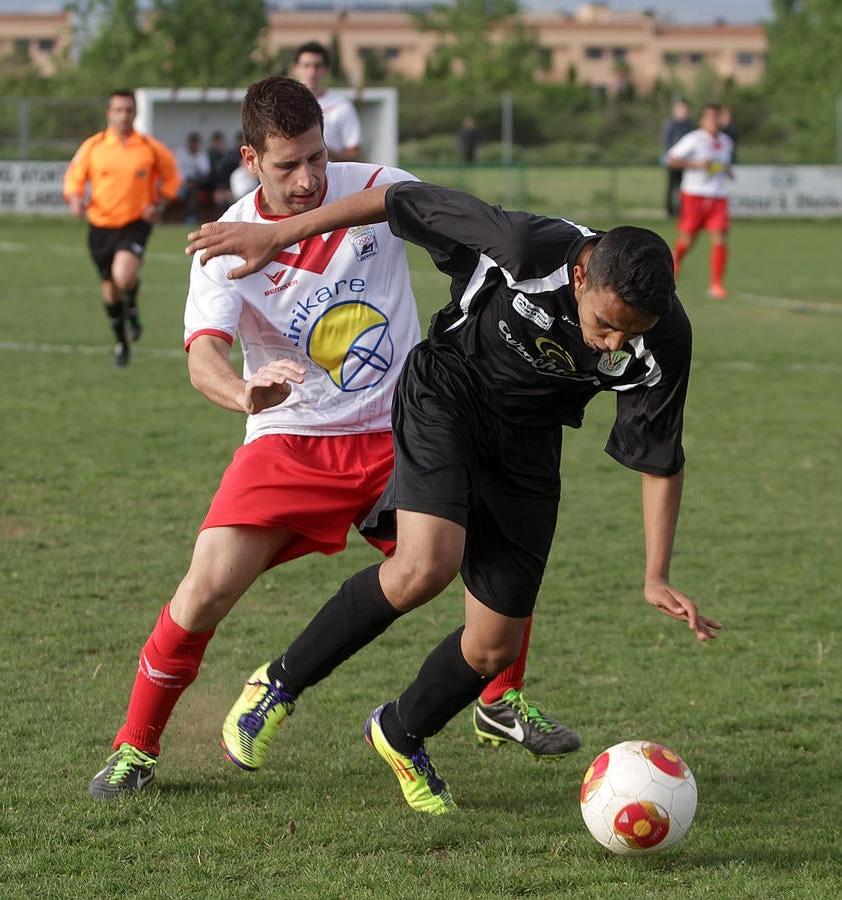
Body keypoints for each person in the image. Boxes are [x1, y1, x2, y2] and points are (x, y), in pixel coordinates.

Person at [86, 76, 577, 801]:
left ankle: (499, 699)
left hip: (404, 428)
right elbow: (203, 358)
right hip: (292, 437)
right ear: (251, 158)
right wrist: (242, 392)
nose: (308, 178)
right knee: (206, 589)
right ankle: (135, 747)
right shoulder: (223, 240)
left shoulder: (375, 189)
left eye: (316, 157)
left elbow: (463, 229)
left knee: (498, 549)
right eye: (287, 165)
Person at [186, 178, 722, 816]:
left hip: (529, 443)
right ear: (581, 279)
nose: (611, 345)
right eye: (606, 326)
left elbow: (660, 455)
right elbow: (395, 199)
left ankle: (401, 731)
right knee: (424, 566)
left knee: (494, 646)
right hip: (448, 392)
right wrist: (279, 234)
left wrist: (656, 574)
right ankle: (278, 685)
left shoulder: (664, 337)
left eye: (629, 335)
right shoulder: (522, 245)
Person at [63, 90, 181, 367]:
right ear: (109, 113)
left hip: (135, 222)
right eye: (118, 110)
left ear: (135, 113)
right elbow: (74, 177)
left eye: (128, 110)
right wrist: (75, 198)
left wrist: (159, 203)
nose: (123, 115)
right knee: (109, 290)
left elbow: (172, 177)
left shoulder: (149, 147)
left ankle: (132, 304)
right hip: (100, 225)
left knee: (124, 275)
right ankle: (122, 343)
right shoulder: (93, 146)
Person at [667, 103, 735, 300]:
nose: (714, 121)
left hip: (718, 195)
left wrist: (727, 171)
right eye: (710, 117)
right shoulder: (694, 139)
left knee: (720, 236)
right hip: (694, 195)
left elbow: (722, 165)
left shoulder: (726, 141)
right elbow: (671, 159)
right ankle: (675, 260)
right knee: (688, 239)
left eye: (717, 116)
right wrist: (696, 165)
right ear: (702, 120)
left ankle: (716, 285)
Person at [292, 40, 363, 162]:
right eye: (306, 65)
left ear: (326, 70)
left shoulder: (342, 106)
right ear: (295, 68)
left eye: (317, 66)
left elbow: (356, 156)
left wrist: (320, 150)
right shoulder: (285, 105)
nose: (312, 72)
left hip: (330, 172)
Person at [660, 98, 693, 219]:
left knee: (685, 186)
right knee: (672, 186)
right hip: (673, 161)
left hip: (686, 162)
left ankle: (683, 211)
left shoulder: (690, 125)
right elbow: (666, 142)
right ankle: (670, 211)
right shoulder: (670, 124)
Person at [175, 131, 212, 224]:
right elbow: (177, 169)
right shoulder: (181, 152)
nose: (194, 146)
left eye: (196, 144)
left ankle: (190, 216)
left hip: (197, 181)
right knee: (189, 189)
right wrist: (183, 182)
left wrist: (196, 157)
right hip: (182, 181)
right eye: (193, 143)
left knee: (192, 189)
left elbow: (205, 171)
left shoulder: (201, 154)